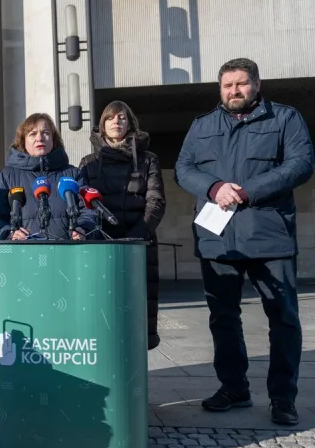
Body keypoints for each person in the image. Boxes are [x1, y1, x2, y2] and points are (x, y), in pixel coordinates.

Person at [174, 58, 314, 425]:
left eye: (241, 84)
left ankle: (283, 398)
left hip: (269, 235)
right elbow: (184, 169)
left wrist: (247, 192)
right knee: (223, 318)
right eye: (227, 85)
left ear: (257, 84)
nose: (234, 91)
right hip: (217, 238)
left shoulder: (284, 118)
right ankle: (233, 387)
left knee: (283, 318)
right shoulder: (201, 125)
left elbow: (301, 164)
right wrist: (214, 187)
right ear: (219, 89)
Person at [79, 101, 166, 350]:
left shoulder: (148, 160)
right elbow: (83, 204)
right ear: (102, 126)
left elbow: (156, 201)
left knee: (137, 313)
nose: (116, 122)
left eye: (122, 117)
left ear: (131, 124)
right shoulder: (89, 162)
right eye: (110, 118)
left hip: (139, 243)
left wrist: (139, 235)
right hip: (101, 245)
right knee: (102, 312)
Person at [0, 112, 96, 241]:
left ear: (54, 140)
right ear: (23, 141)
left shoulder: (73, 174)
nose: (40, 138)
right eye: (32, 134)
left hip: (66, 253)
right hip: (23, 254)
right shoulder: (7, 176)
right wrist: (8, 233)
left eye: (46, 133)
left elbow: (89, 212)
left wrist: (82, 230)